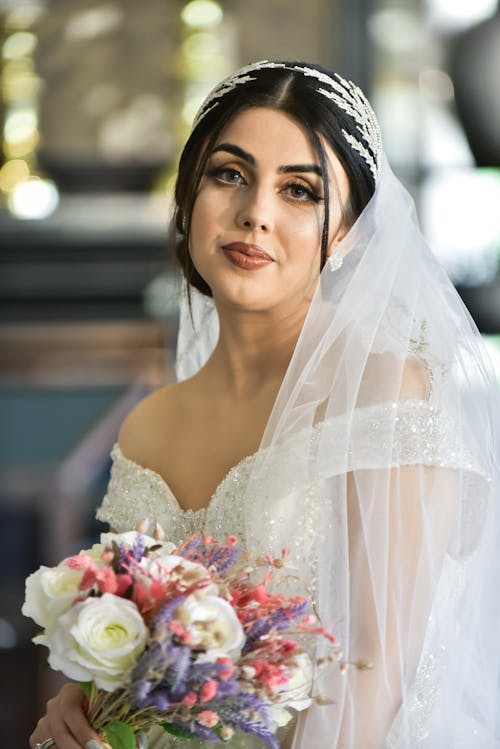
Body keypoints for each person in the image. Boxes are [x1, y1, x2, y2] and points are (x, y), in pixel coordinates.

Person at [30, 61, 500, 749]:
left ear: (349, 235)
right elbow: (137, 645)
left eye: (300, 190)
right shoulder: (150, 424)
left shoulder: (383, 389)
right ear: (189, 195)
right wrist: (77, 701)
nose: (256, 212)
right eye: (229, 173)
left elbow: (377, 664)